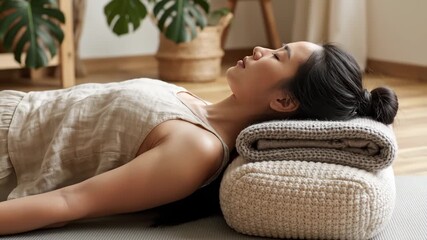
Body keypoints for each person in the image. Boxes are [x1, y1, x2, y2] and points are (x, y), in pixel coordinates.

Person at [0, 41, 398, 235]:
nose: (260, 49)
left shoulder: (198, 150)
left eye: (278, 56)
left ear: (283, 100)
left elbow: (71, 201)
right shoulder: (196, 103)